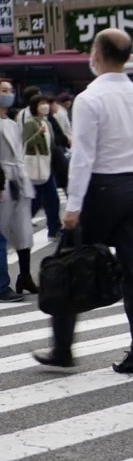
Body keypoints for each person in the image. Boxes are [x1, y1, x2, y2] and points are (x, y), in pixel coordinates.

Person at [32, 29, 133, 371]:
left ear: (96, 54)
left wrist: (72, 208)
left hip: (99, 192)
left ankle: (63, 349)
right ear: (129, 58)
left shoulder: (90, 98)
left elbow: (84, 157)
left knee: (67, 264)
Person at [0, 81, 33, 302]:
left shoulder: (11, 123)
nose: (8, 95)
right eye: (4, 91)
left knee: (23, 231)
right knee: (0, 234)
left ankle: (25, 275)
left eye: (10, 91)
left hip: (18, 179)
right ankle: (2, 285)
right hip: (3, 179)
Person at [22, 95, 62, 240]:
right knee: (42, 200)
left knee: (49, 199)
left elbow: (51, 145)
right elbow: (25, 145)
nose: (45, 106)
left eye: (46, 103)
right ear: (35, 107)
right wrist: (38, 135)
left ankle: (54, 229)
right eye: (42, 104)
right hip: (36, 167)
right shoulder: (30, 123)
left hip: (46, 165)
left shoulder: (47, 122)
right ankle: (52, 229)